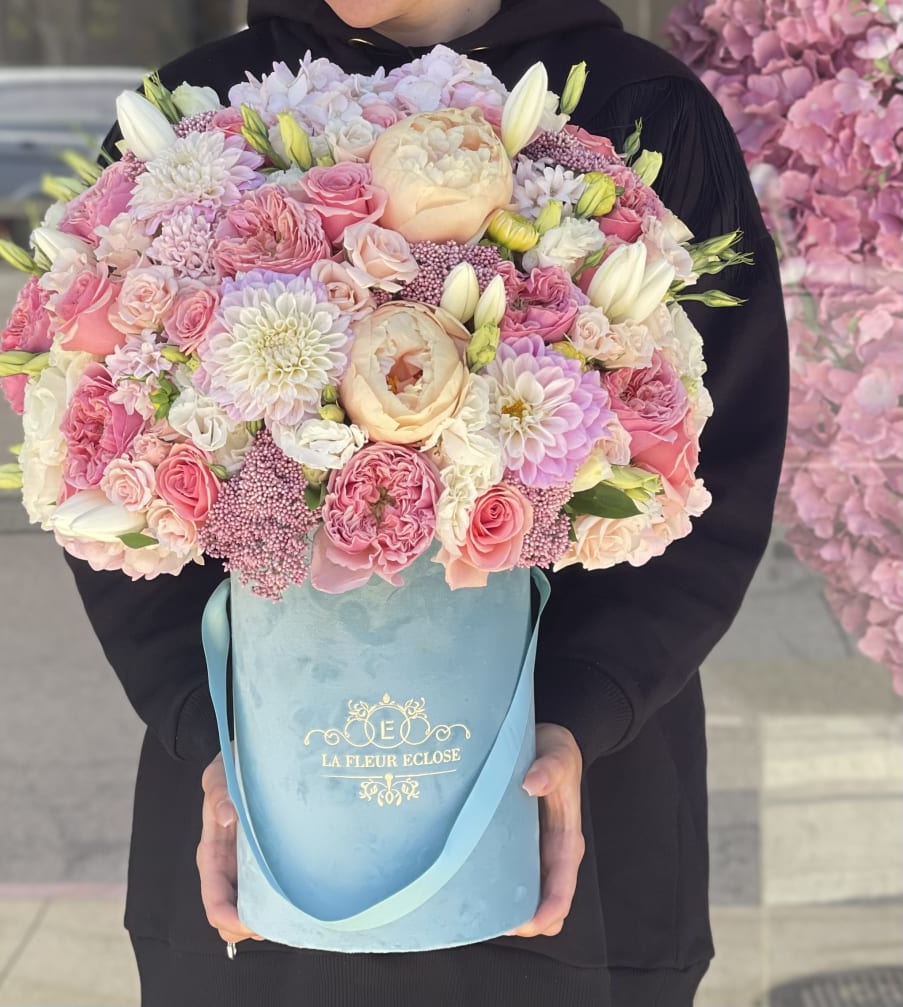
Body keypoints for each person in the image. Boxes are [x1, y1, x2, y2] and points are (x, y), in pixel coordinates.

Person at [65, 1, 789, 1004]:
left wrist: (580, 711)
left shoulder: (641, 112)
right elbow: (95, 453)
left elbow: (721, 465)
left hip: (574, 816)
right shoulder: (194, 114)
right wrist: (208, 727)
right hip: (261, 824)